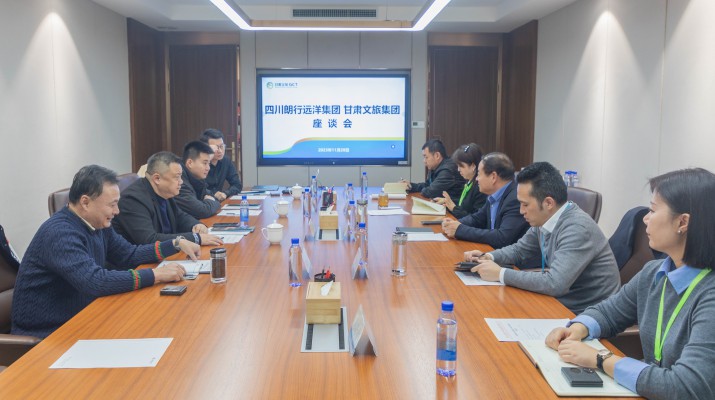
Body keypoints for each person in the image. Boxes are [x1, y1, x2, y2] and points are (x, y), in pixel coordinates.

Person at [545, 168, 715, 399]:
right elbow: (609, 312)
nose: (645, 218)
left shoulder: (709, 295)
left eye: (653, 210)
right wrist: (577, 328)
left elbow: (686, 387)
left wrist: (601, 359)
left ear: (682, 222)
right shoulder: (654, 272)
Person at [11, 165, 198, 338]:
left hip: (84, 318)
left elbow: (128, 254)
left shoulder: (97, 224)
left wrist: (174, 244)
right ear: (85, 202)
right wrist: (156, 275)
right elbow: (95, 281)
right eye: (112, 204)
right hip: (47, 334)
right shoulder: (59, 233)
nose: (117, 211)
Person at [465, 161, 620, 314]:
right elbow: (519, 250)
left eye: (525, 204)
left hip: (588, 312)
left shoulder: (577, 228)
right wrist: (489, 257)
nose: (521, 211)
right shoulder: (544, 219)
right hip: (561, 301)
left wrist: (500, 274)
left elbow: (555, 283)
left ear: (548, 203)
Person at [113, 151, 223, 246]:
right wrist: (195, 238)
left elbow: (179, 216)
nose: (181, 182)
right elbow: (149, 239)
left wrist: (196, 225)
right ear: (157, 178)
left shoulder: (164, 192)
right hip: (141, 262)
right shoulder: (133, 200)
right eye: (177, 177)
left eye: (181, 176)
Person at [443, 153, 533, 262]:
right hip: (493, 255)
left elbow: (502, 238)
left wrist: (460, 230)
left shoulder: (515, 198)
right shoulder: (494, 195)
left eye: (479, 174)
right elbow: (477, 218)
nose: (476, 179)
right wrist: (454, 224)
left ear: (493, 177)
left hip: (514, 263)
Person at [433, 143, 487, 218]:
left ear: (473, 166)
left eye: (461, 166)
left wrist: (453, 208)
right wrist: (447, 201)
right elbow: (464, 205)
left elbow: (475, 220)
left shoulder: (480, 187)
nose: (458, 170)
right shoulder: (469, 182)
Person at [175, 140, 221, 219]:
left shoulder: (197, 179)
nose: (208, 168)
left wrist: (210, 202)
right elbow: (202, 211)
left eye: (209, 164)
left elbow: (213, 197)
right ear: (190, 163)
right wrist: (211, 201)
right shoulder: (179, 182)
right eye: (205, 163)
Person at [200, 128, 242, 201]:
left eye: (222, 146)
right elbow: (198, 188)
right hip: (203, 202)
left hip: (218, 203)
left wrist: (226, 193)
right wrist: (213, 194)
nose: (220, 151)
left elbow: (237, 184)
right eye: (216, 147)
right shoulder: (199, 164)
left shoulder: (226, 161)